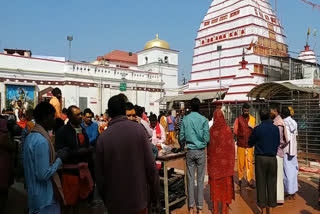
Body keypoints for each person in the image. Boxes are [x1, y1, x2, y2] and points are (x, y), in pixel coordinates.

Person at [95, 95, 160, 214]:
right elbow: (151, 169)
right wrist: (155, 197)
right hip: (138, 201)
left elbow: (99, 177)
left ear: (109, 113)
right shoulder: (139, 131)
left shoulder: (103, 138)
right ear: (124, 110)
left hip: (115, 204)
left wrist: (107, 200)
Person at [23, 102, 67, 214]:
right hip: (44, 200)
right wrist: (59, 160)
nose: (54, 120)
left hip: (36, 197)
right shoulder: (41, 141)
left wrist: (55, 156)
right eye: (53, 117)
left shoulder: (31, 137)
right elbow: (43, 175)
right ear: (45, 118)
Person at [55, 105, 94, 212]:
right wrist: (76, 153)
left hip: (82, 173)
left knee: (81, 203)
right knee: (69, 204)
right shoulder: (62, 131)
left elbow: (85, 145)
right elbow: (59, 153)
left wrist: (88, 150)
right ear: (70, 117)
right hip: (69, 174)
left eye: (81, 114)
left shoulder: (82, 130)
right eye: (77, 115)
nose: (81, 116)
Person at [180, 98, 210, 214]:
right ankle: (200, 208)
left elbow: (182, 136)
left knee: (190, 179)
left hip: (190, 151)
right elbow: (207, 138)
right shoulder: (203, 120)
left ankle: (191, 207)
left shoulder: (185, 119)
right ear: (199, 107)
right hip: (201, 151)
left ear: (191, 107)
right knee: (201, 179)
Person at [248, 108, 280, 214]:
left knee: (261, 183)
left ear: (260, 117)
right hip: (272, 158)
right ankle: (270, 209)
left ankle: (262, 209)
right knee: (272, 183)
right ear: (270, 116)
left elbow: (250, 143)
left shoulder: (257, 129)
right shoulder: (275, 128)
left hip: (260, 158)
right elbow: (277, 143)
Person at [208, 109, 235, 214]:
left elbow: (209, 148)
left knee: (215, 190)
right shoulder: (227, 130)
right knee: (225, 190)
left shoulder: (211, 131)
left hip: (214, 166)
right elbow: (231, 148)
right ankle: (224, 210)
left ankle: (215, 210)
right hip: (226, 166)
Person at [233, 103, 256, 189]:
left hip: (250, 145)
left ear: (249, 110)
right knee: (240, 162)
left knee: (249, 163)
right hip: (241, 144)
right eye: (245, 110)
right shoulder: (238, 119)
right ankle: (240, 178)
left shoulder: (253, 119)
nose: (246, 112)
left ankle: (249, 180)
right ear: (242, 110)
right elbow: (235, 131)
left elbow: (255, 130)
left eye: (247, 111)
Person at [270, 104, 289, 204]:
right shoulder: (278, 122)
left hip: (276, 152)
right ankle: (278, 197)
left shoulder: (278, 123)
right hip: (278, 151)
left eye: (271, 110)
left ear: (275, 110)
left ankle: (277, 198)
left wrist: (278, 146)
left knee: (276, 176)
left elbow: (280, 139)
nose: (270, 112)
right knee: (278, 175)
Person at [282, 107, 298, 200]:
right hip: (293, 150)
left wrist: (281, 146)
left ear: (283, 114)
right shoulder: (294, 122)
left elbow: (286, 138)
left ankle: (288, 191)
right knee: (293, 171)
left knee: (286, 172)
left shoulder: (284, 123)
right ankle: (293, 191)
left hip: (286, 150)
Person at [0, 116, 16, 213]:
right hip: (3, 165)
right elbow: (12, 147)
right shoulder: (4, 136)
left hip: (4, 164)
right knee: (2, 191)